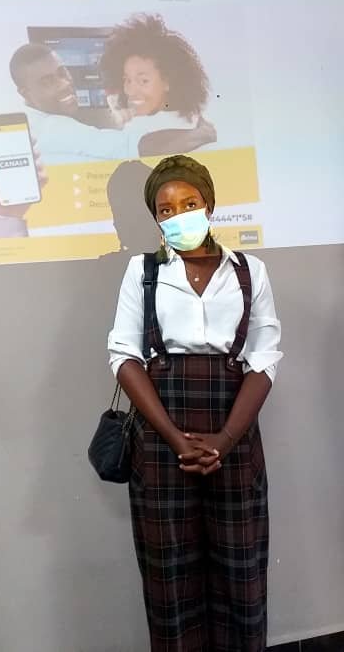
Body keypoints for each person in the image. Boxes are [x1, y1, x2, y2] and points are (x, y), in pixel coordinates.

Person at [107, 155, 282, 651]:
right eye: (166, 210)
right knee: (171, 580)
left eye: (189, 203)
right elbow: (124, 356)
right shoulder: (141, 272)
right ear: (155, 217)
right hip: (161, 437)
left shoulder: (249, 271)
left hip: (234, 431)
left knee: (240, 574)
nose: (178, 215)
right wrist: (174, 438)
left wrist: (225, 439)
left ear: (209, 206)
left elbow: (264, 358)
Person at [8, 42, 215, 164]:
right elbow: (131, 147)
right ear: (25, 93)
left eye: (62, 72)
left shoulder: (24, 119)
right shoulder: (53, 128)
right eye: (47, 82)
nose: (64, 84)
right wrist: (202, 134)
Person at [98, 14, 210, 128]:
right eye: (127, 80)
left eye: (143, 81)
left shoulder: (144, 130)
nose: (131, 91)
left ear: (168, 80)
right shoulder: (191, 123)